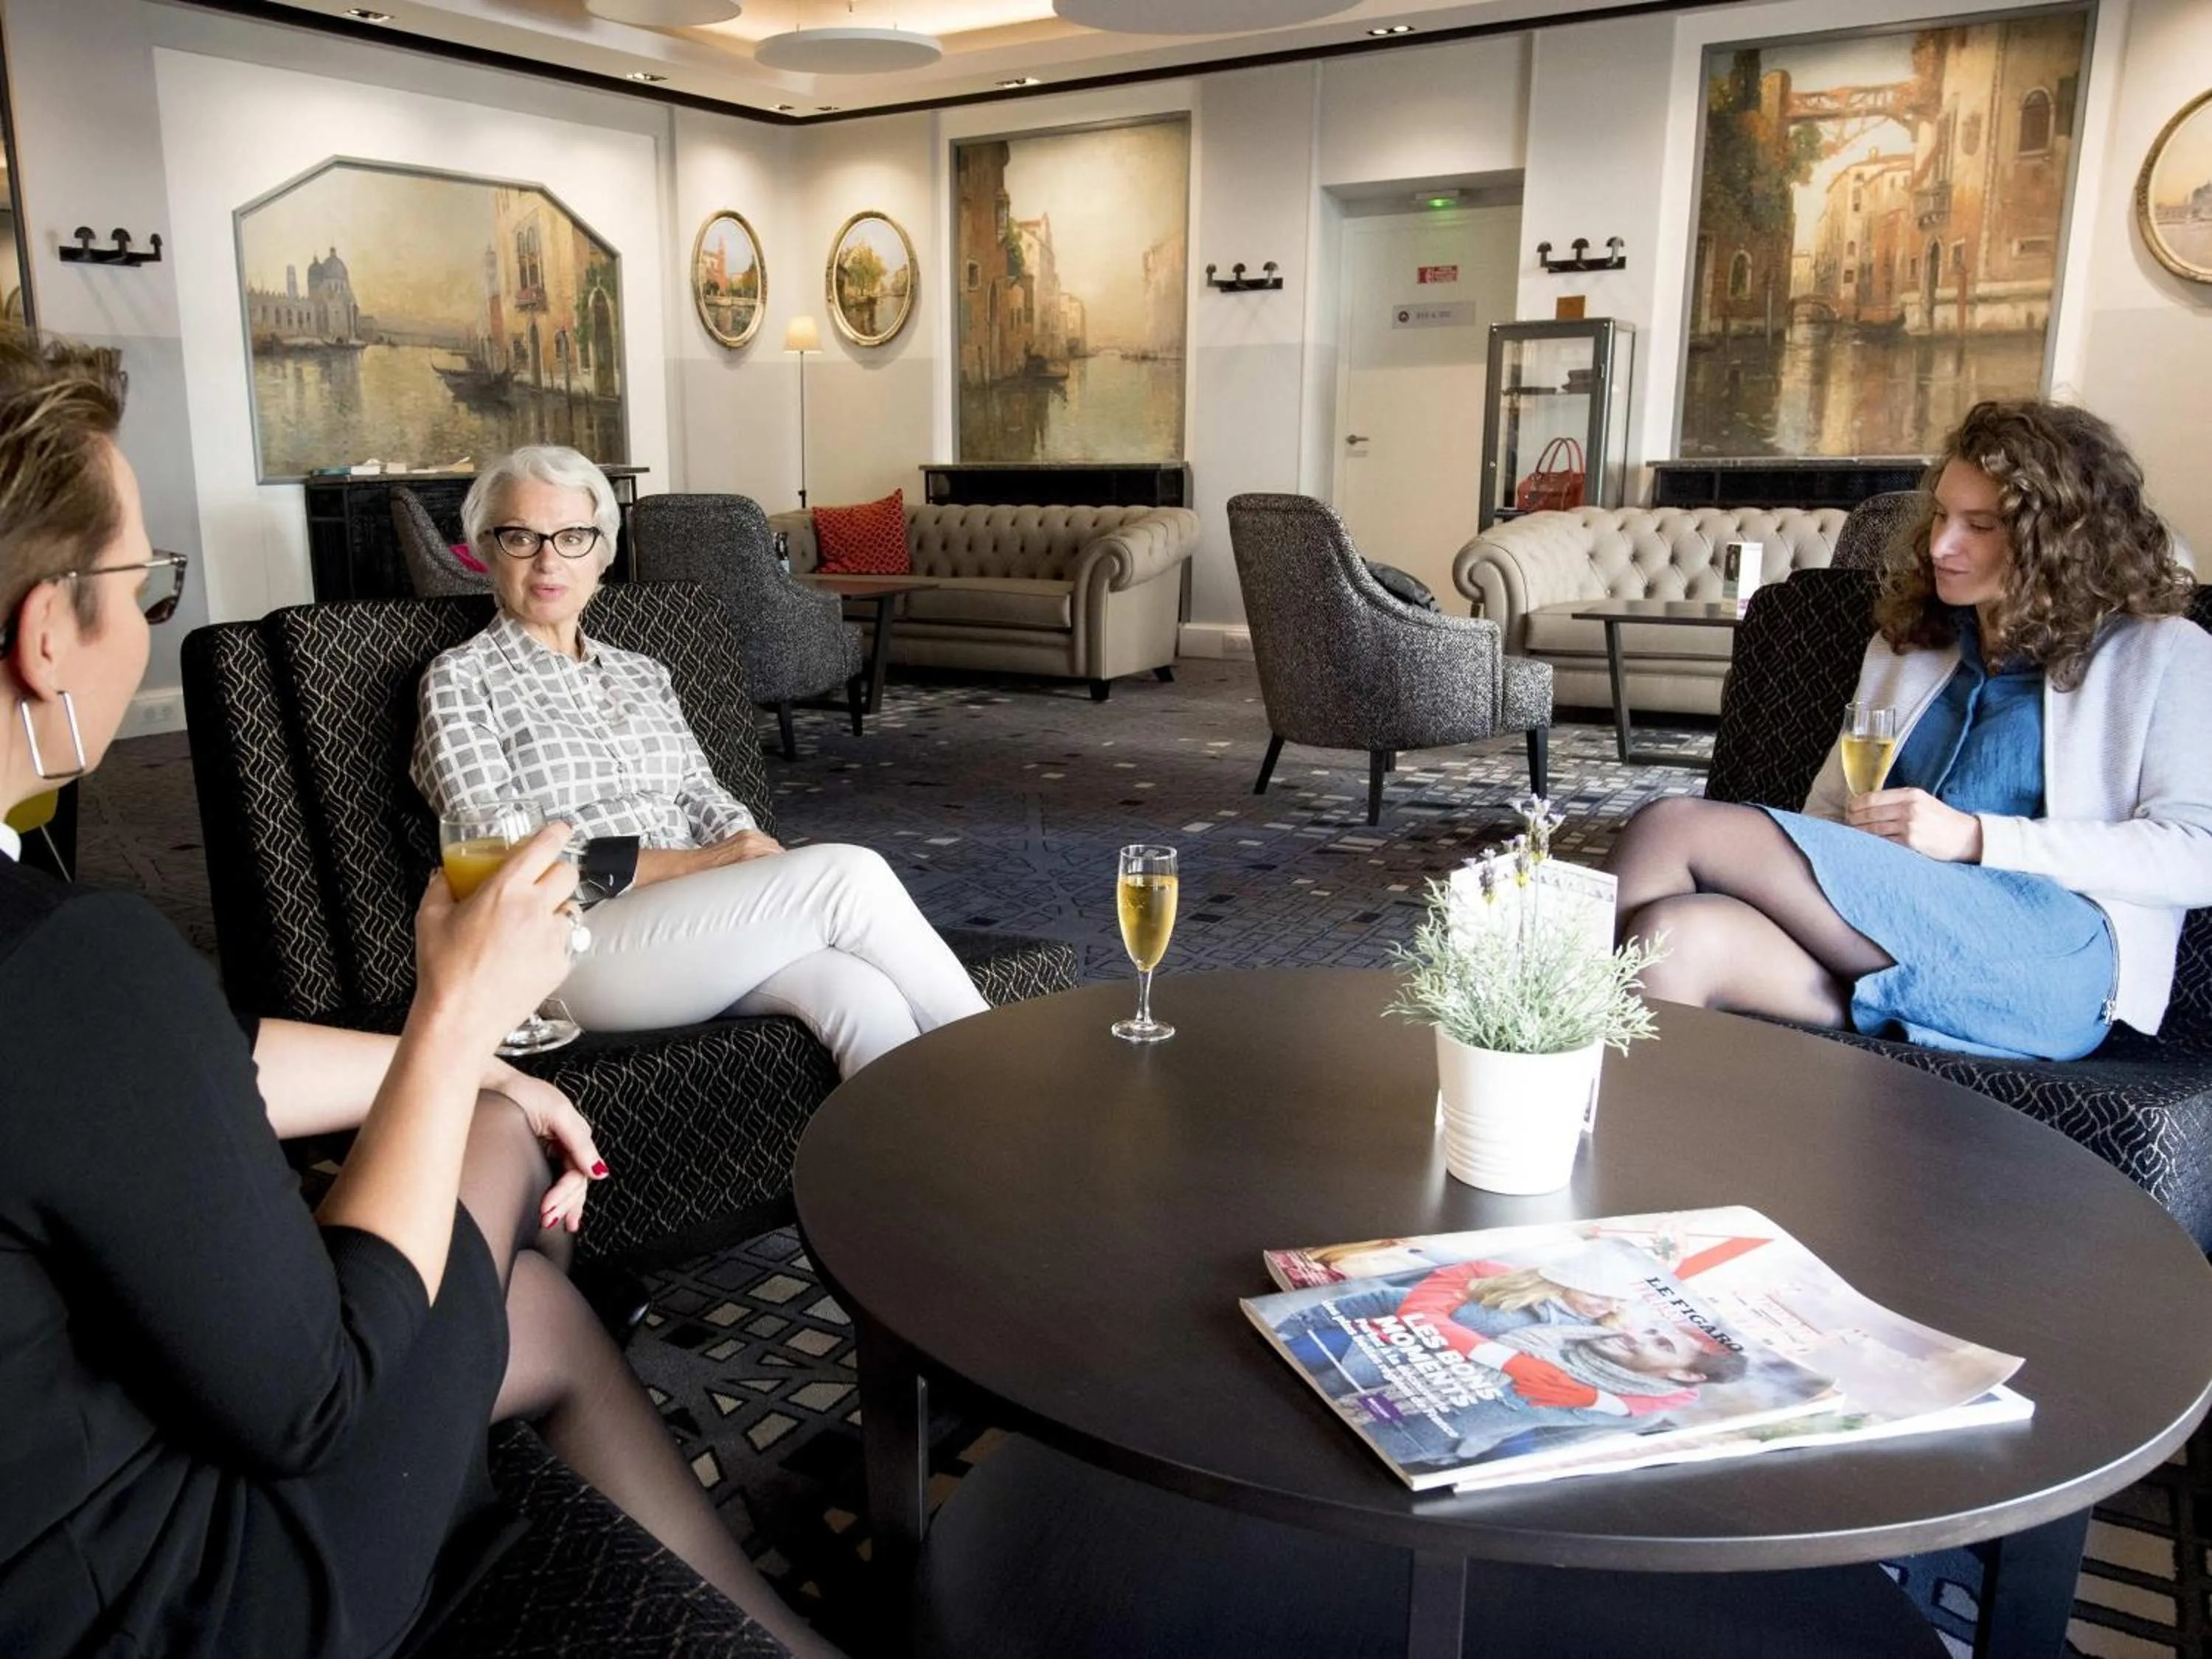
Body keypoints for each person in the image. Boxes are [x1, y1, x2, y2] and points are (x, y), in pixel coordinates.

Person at [0, 330, 835, 1658]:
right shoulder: (70, 956)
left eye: (571, 538)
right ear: (51, 632)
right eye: (143, 584)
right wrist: (455, 1029)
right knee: (511, 1160)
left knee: (530, 1255)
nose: (545, 560)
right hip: (179, 1591)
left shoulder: (68, 977)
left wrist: (483, 1069)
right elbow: (307, 1403)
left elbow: (191, 1059)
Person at [1604, 400, 2212, 1061]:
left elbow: (2196, 855)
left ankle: (1539, 1033)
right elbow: (1830, 813)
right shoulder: (1912, 646)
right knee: (1676, 937)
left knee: (1671, 826)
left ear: (2060, 540)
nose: (1942, 545)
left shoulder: (2163, 654)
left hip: (2054, 957)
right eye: (1943, 517)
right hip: (1891, 928)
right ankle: (1605, 1143)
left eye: (1980, 526)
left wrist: (1976, 837)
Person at [410, 444, 988, 1078]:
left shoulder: (641, 673)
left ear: (601, 555)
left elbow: (699, 792)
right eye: (522, 536)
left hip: (691, 928)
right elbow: (502, 863)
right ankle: (1016, 1077)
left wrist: (745, 843)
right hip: (564, 951)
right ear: (486, 550)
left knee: (859, 993)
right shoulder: (462, 680)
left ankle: (927, 1173)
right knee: (847, 877)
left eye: (573, 536)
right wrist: (706, 861)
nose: (549, 559)